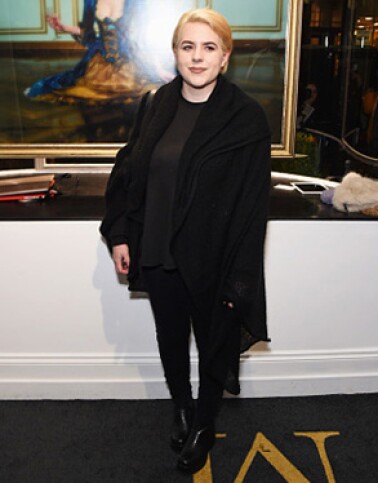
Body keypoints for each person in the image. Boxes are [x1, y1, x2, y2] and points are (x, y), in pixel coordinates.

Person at [99, 8, 271, 474]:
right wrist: (121, 234)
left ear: (225, 57)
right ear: (175, 52)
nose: (197, 57)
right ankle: (180, 406)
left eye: (209, 47)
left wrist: (240, 279)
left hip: (214, 258)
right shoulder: (156, 105)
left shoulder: (246, 118)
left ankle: (204, 424)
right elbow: (129, 171)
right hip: (158, 250)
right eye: (188, 46)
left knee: (214, 344)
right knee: (170, 337)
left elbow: (253, 207)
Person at [25, 0, 155, 105]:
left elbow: (143, 39)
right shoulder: (91, 1)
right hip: (99, 64)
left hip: (127, 64)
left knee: (138, 88)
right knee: (78, 85)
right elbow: (88, 36)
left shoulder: (135, 2)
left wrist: (157, 68)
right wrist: (64, 27)